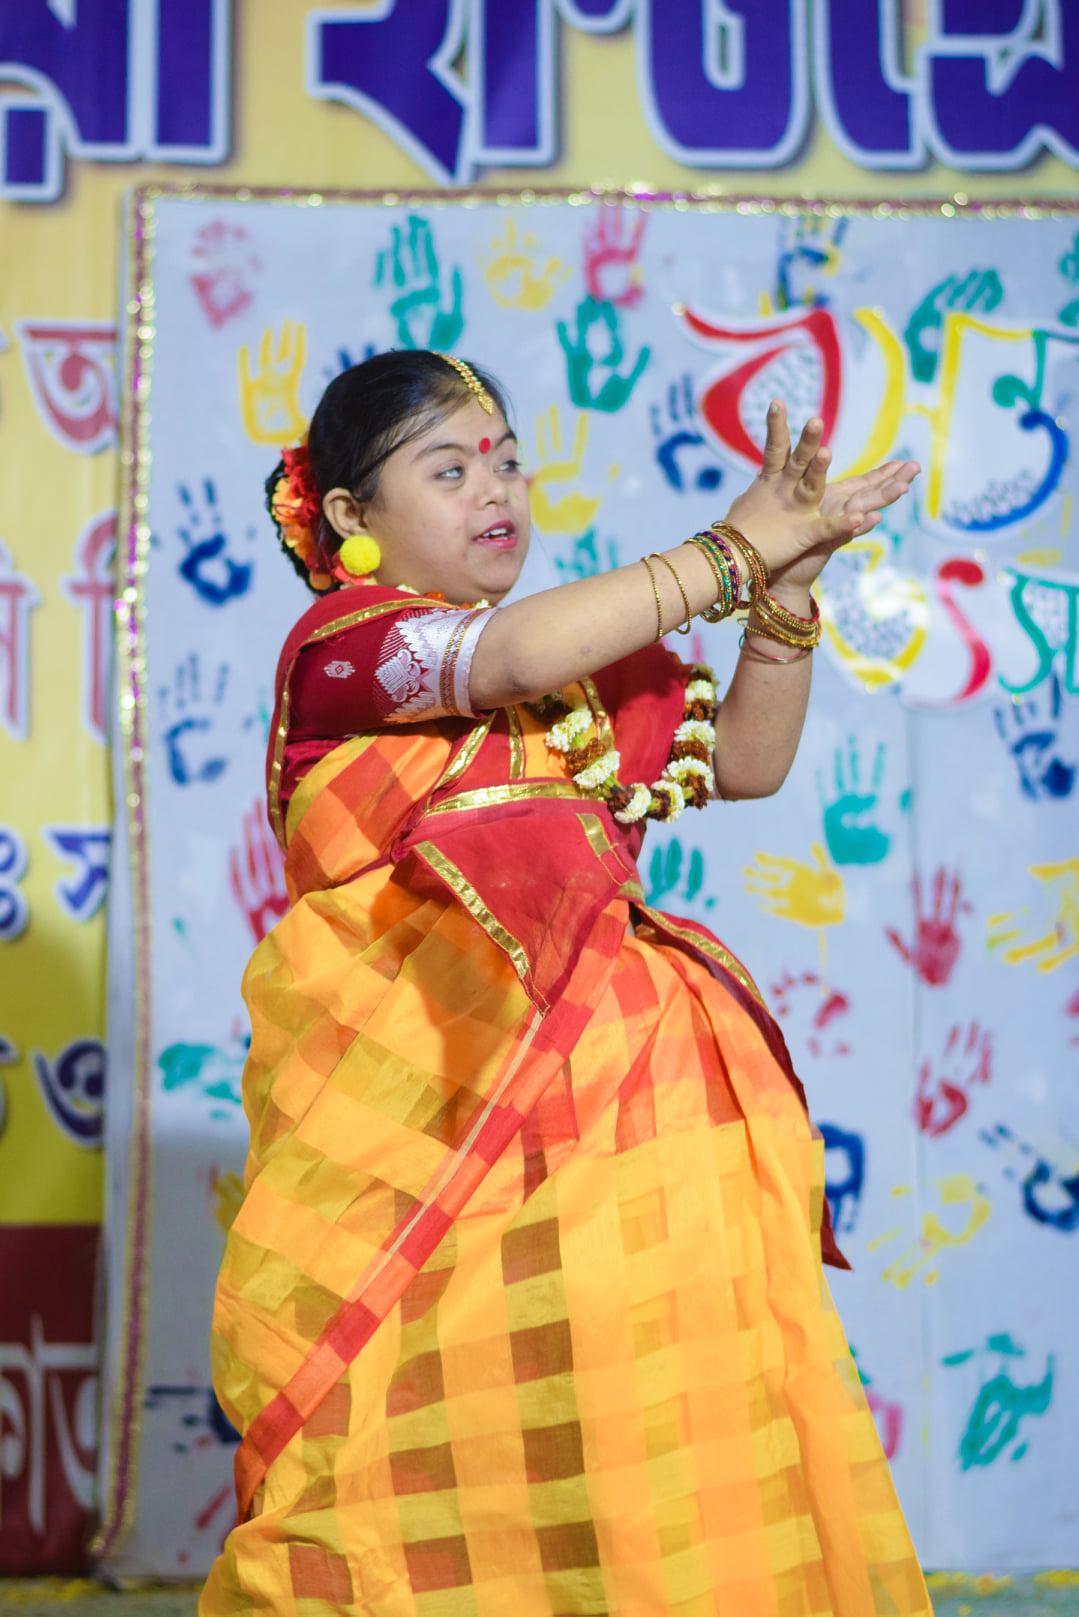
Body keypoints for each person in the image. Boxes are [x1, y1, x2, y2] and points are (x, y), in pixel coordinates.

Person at [200, 350, 931, 1616]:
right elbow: (505, 659)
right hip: (418, 1134)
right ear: (351, 518)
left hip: (617, 1139)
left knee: (630, 1427)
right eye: (448, 469)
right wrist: (731, 551)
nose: (494, 489)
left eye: (505, 462)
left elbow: (745, 763)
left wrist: (783, 592)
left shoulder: (576, 680)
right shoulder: (351, 651)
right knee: (405, 1433)